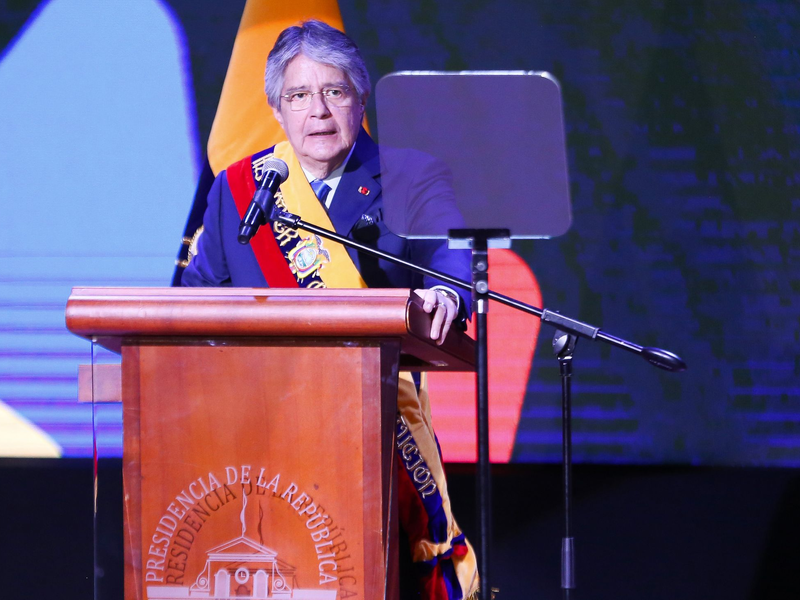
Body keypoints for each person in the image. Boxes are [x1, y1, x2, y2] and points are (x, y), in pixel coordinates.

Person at [182, 20, 478, 600]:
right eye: (298, 95)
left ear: (360, 100)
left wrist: (447, 292)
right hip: (256, 429)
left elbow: (450, 254)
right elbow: (198, 296)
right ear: (276, 108)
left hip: (370, 427)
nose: (317, 111)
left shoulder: (411, 176)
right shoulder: (238, 190)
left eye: (333, 92)